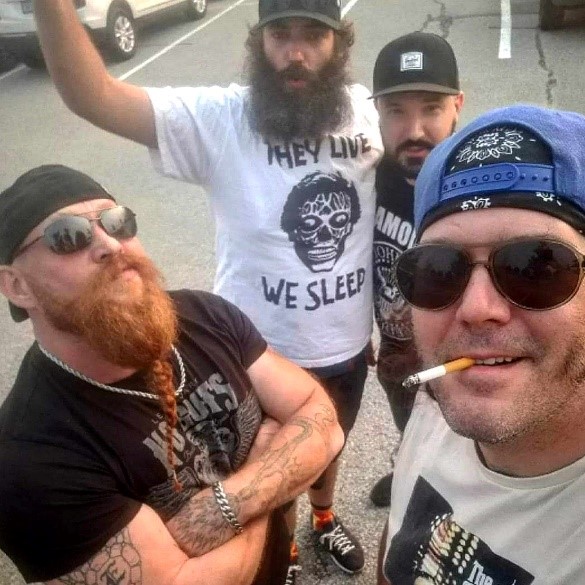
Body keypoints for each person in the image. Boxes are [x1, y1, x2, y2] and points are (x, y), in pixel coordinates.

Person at [32, 0, 384, 577]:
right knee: (266, 467)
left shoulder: (367, 114)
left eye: (313, 36)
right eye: (280, 34)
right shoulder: (222, 119)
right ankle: (284, 547)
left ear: (339, 44)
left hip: (344, 342)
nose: (295, 52)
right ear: (259, 42)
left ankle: (323, 518)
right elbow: (92, 95)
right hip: (256, 353)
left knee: (332, 441)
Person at [0, 164, 345, 585]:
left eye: (117, 221)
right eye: (68, 236)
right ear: (17, 286)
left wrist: (220, 509)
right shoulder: (28, 459)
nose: (110, 244)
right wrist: (267, 467)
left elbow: (321, 419)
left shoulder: (204, 314)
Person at [378, 104, 585, 584]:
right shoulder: (434, 404)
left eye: (536, 266)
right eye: (438, 270)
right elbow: (398, 545)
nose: (475, 308)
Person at [369, 32, 464, 507]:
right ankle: (409, 464)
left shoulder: (476, 184)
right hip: (397, 347)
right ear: (377, 113)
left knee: (463, 447)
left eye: (431, 108)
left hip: (459, 349)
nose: (415, 130)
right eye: (396, 111)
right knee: (407, 420)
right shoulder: (369, 178)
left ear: (457, 106)